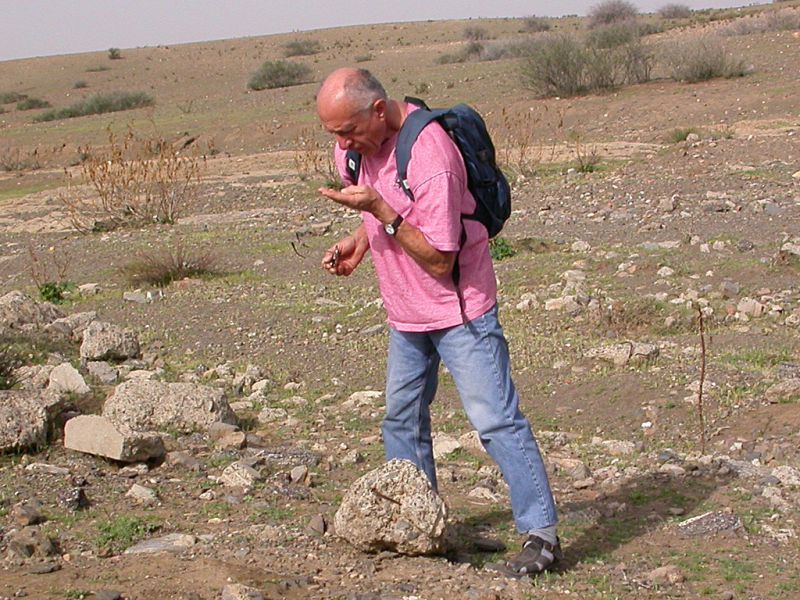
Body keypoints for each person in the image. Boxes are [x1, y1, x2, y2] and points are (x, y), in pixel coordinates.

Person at [316, 67, 560, 576]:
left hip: (459, 311)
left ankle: (542, 536)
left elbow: (439, 259)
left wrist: (380, 211)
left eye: (347, 131)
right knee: (401, 420)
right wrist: (359, 244)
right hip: (405, 314)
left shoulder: (431, 157)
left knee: (494, 420)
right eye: (334, 133)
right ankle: (419, 523)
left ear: (378, 111)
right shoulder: (356, 149)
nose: (341, 144)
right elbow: (380, 208)